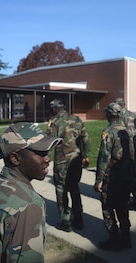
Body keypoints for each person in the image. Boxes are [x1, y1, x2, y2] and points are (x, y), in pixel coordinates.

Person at [0, 122, 62, 263]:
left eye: (48, 153)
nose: (48, 159)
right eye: (40, 153)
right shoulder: (27, 205)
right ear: (15, 158)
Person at [94, 103, 135, 251]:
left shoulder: (108, 132)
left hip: (112, 178)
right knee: (123, 208)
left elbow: (104, 157)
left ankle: (114, 239)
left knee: (108, 208)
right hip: (125, 176)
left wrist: (99, 179)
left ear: (110, 114)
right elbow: (132, 155)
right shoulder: (127, 130)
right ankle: (126, 238)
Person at [46, 99, 91, 231]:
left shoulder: (53, 121)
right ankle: (78, 219)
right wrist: (86, 155)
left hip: (61, 161)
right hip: (76, 160)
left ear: (54, 109)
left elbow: (48, 141)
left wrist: (45, 156)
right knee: (74, 189)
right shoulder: (77, 119)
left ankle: (66, 221)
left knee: (61, 190)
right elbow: (85, 138)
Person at [114, 98, 136, 210]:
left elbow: (131, 133)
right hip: (132, 147)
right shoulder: (132, 114)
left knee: (131, 174)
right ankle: (131, 199)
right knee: (129, 174)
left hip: (130, 148)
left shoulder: (126, 116)